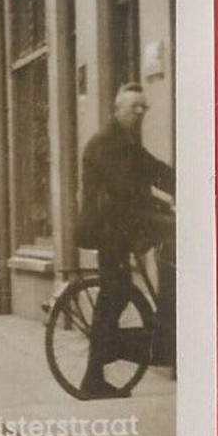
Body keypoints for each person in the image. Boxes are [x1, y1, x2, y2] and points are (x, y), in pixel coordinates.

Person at [77, 84, 175, 399]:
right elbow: (125, 189)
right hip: (110, 229)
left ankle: (164, 321)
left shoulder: (126, 142)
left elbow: (154, 170)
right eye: (135, 108)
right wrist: (161, 205)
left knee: (115, 295)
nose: (140, 114)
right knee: (113, 296)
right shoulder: (106, 143)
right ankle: (95, 376)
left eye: (144, 108)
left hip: (120, 227)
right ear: (117, 110)